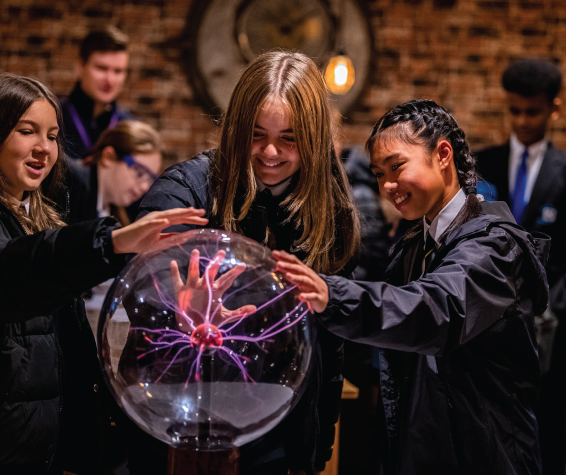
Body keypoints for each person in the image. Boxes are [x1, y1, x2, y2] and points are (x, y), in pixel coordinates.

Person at [0, 72, 206, 473]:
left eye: (52, 136)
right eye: (26, 131)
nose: (44, 149)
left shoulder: (37, 216)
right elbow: (2, 272)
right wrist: (110, 243)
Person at [275, 99, 549, 474]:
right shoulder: (416, 243)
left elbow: (435, 309)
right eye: (377, 173)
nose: (388, 185)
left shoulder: (493, 247)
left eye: (397, 166)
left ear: (442, 154)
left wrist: (331, 295)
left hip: (486, 455)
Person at [134, 50, 361, 474]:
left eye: (289, 139)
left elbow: (330, 343)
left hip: (278, 438)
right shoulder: (188, 188)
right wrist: (179, 303)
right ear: (236, 127)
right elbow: (141, 281)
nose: (270, 151)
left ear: (313, 138)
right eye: (256, 134)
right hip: (184, 433)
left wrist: (316, 449)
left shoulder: (331, 209)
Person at [476, 58, 566, 473]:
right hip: (487, 320)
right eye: (515, 111)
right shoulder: (481, 166)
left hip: (548, 324)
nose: (523, 121)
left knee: (543, 430)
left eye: (532, 111)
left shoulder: (564, 173)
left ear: (554, 108)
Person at [66, 119, 162, 226]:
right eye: (139, 173)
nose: (145, 187)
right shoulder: (71, 180)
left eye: (150, 179)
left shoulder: (116, 214)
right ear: (108, 157)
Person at [62, 26, 133, 161]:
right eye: (101, 68)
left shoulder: (130, 130)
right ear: (80, 66)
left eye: (118, 71)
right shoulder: (53, 119)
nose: (110, 80)